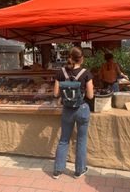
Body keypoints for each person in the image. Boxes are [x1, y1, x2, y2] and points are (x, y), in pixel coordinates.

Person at [53, 47, 94, 179]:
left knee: (64, 140)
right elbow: (90, 95)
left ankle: (58, 170)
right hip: (82, 109)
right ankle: (79, 170)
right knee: (81, 140)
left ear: (69, 57)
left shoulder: (61, 72)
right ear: (82, 58)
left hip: (67, 110)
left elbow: (55, 93)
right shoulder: (86, 73)